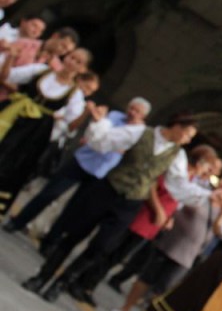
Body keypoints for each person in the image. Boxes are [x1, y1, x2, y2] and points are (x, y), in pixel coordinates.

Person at [21, 113, 204, 302]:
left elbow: (178, 185)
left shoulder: (177, 155)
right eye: (188, 134)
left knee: (101, 247)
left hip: (131, 202)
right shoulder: (140, 132)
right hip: (107, 189)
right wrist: (99, 124)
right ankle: (42, 277)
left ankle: (60, 284)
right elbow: (103, 142)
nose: (188, 140)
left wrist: (203, 195)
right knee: (74, 234)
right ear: (177, 126)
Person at [3, 98, 149, 235]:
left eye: (137, 111)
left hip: (101, 170)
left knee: (74, 208)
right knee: (50, 192)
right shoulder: (115, 116)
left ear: (143, 116)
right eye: (131, 108)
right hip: (83, 160)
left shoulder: (140, 132)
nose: (132, 113)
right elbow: (97, 132)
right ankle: (19, 221)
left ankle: (52, 238)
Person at [111, 162, 222, 311]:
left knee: (164, 287)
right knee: (147, 277)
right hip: (171, 241)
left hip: (189, 253)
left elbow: (219, 232)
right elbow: (180, 202)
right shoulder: (202, 191)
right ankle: (125, 308)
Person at [0, 47, 93, 213]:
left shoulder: (75, 94)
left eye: (78, 62)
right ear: (66, 57)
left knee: (15, 163)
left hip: (35, 131)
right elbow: (7, 76)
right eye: (72, 57)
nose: (72, 62)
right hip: (15, 115)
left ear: (82, 69)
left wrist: (86, 112)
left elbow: (71, 124)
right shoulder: (41, 71)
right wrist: (10, 58)